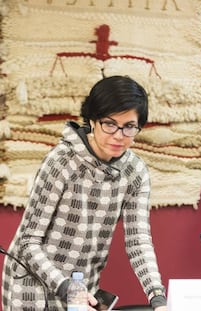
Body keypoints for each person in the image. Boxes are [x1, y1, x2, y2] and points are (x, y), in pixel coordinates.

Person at [1, 75, 167, 311]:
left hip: (81, 287)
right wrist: (66, 288)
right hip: (32, 286)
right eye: (109, 124)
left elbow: (138, 241)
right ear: (92, 119)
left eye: (129, 126)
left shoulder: (134, 171)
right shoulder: (61, 162)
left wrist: (157, 298)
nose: (119, 135)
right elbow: (29, 242)